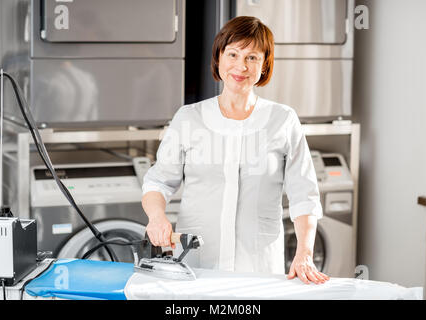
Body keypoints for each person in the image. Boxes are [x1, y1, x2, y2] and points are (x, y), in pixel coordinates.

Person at [141, 16, 330, 285]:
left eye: (252, 57)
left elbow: (305, 196)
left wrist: (304, 253)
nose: (241, 66)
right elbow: (158, 182)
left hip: (259, 268)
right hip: (197, 265)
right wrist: (157, 218)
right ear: (219, 58)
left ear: (264, 65)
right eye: (233, 54)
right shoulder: (189, 118)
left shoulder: (283, 120)